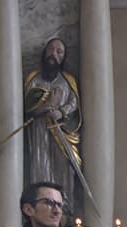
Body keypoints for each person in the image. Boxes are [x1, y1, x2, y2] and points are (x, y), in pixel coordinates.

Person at [24, 38, 81, 212]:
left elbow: (74, 102)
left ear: (63, 57)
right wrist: (46, 106)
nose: (53, 54)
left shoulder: (67, 80)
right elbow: (27, 105)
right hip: (39, 130)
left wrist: (61, 112)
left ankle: (64, 207)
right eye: (50, 49)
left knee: (64, 168)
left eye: (59, 51)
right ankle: (41, 206)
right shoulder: (34, 79)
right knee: (41, 165)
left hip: (61, 130)